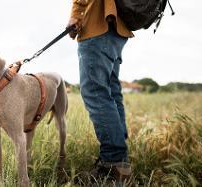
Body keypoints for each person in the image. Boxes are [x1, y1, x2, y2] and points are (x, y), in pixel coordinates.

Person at [68, 0, 133, 182]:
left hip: (98, 25)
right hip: (117, 28)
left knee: (95, 93)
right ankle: (120, 157)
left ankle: (114, 163)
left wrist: (76, 14)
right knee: (110, 92)